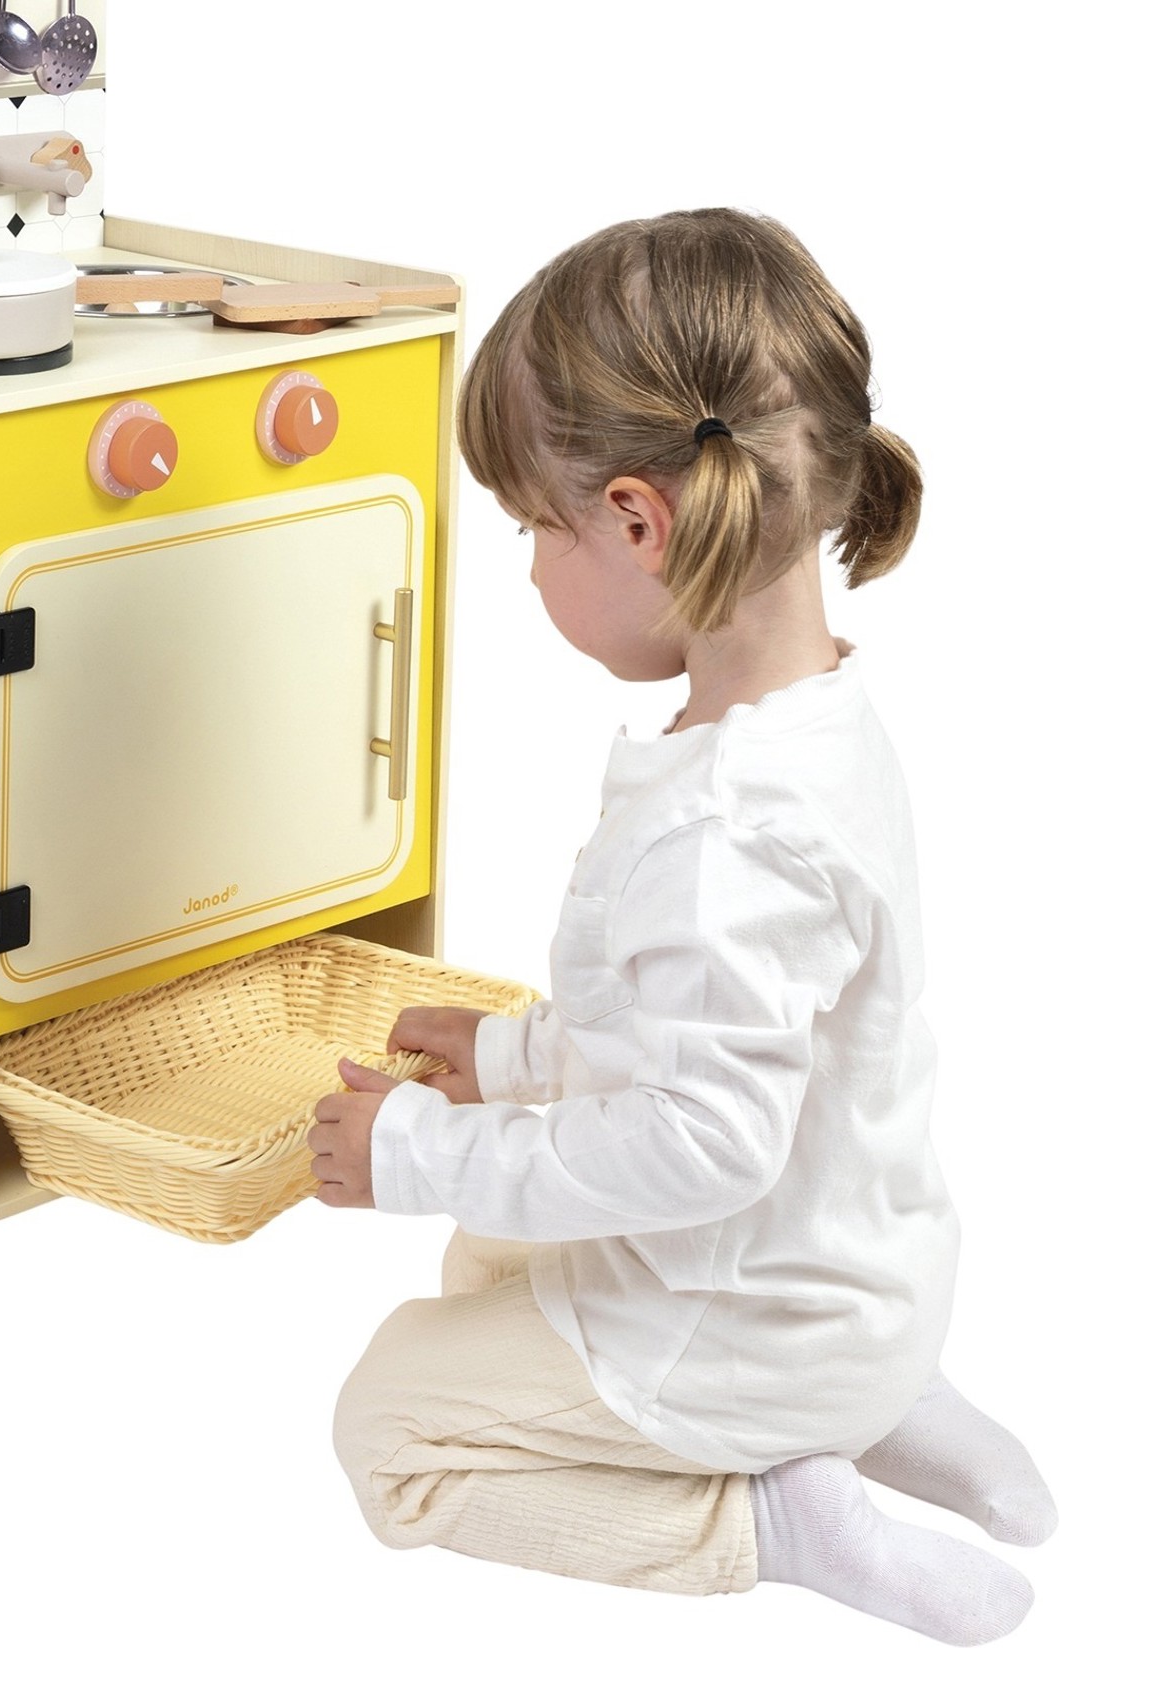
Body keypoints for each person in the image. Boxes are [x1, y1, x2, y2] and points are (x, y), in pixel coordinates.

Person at [310, 209, 1056, 1646]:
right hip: (861, 1272)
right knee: (487, 1255)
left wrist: (416, 1152)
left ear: (639, 521)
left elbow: (704, 1145)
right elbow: (696, 1031)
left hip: (755, 1321)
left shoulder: (726, 835)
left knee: (389, 1430)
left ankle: (773, 1513)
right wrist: (514, 1060)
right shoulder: (814, 721)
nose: (532, 564)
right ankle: (883, 1393)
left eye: (535, 527)